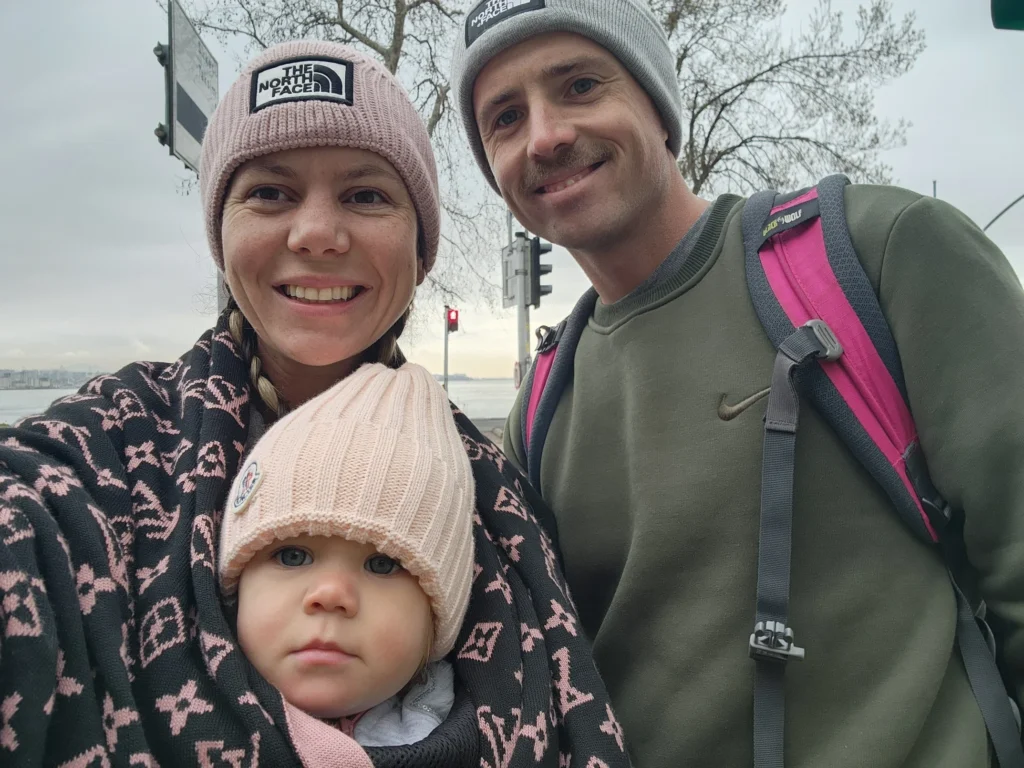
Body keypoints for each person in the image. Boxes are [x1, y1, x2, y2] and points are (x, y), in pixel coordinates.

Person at [0, 40, 631, 767]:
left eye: (366, 195)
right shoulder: (110, 450)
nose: (317, 234)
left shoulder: (498, 498)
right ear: (221, 232)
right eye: (270, 193)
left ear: (420, 246)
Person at [450, 1, 1024, 767]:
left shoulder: (881, 255)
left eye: (582, 85)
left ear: (659, 105)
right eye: (505, 119)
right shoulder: (539, 413)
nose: (546, 135)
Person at [219, 362, 473, 748]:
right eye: (292, 556)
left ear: (437, 623)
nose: (331, 594)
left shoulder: (482, 740)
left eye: (383, 565)